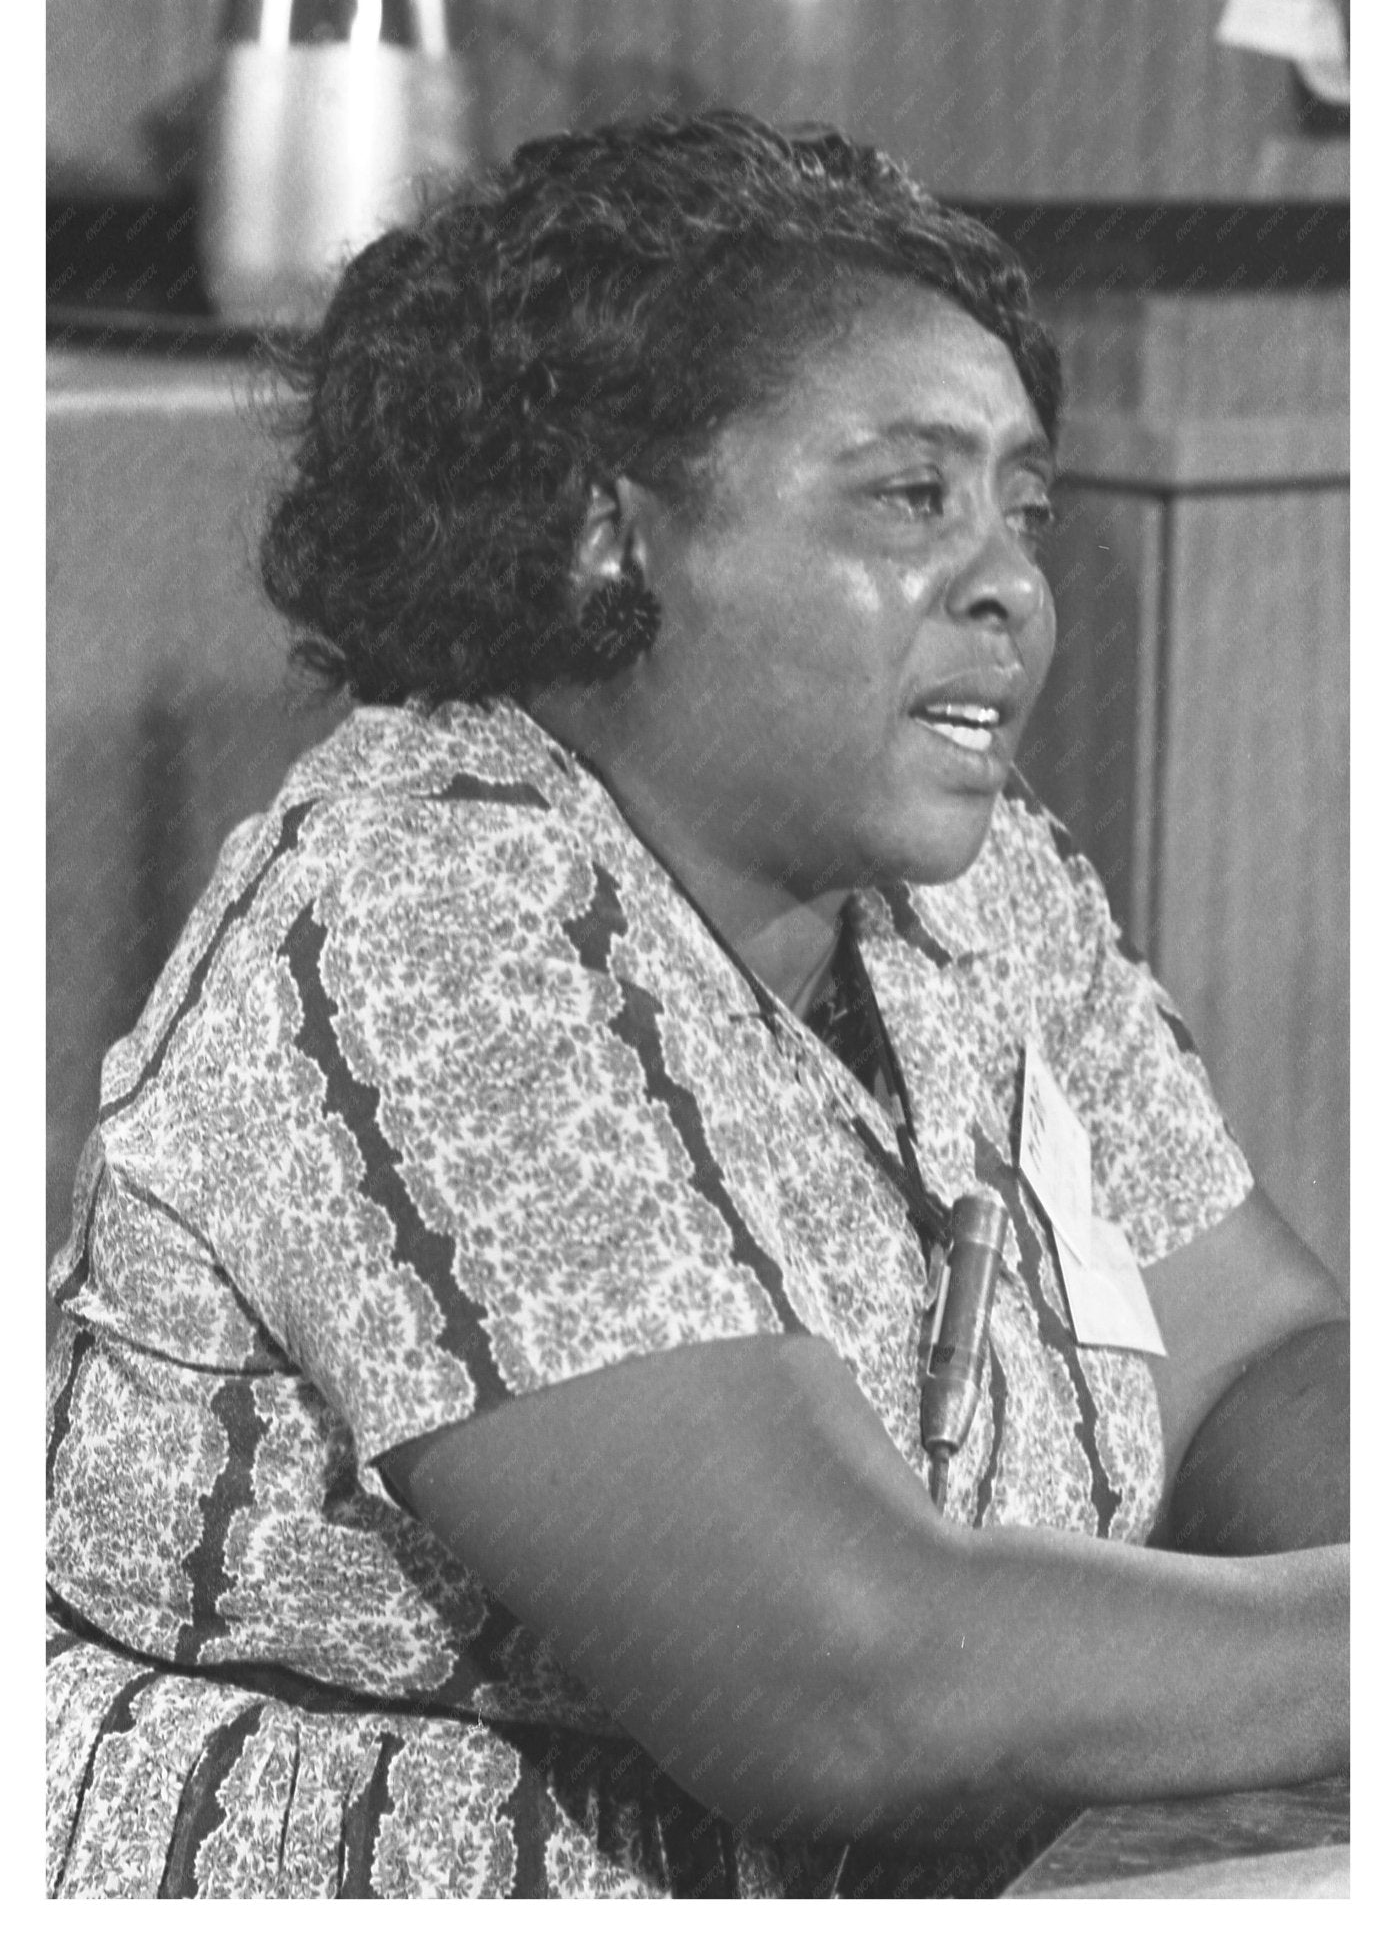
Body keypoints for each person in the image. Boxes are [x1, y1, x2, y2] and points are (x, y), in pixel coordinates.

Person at [46, 111, 1348, 1899]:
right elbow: (837, 1677)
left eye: (1023, 508)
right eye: (912, 497)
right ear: (610, 536)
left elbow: (1241, 1376)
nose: (1014, 586)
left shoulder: (983, 889)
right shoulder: (422, 913)